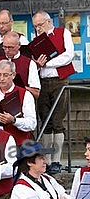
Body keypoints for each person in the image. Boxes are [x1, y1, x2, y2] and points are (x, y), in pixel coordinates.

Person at [32, 10, 75, 174]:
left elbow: (68, 56)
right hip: (42, 82)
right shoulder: (36, 40)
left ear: (48, 22)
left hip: (59, 80)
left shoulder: (62, 33)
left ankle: (57, 160)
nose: (38, 28)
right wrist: (38, 64)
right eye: (36, 26)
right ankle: (47, 161)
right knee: (45, 121)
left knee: (57, 120)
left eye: (40, 25)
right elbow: (35, 63)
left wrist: (47, 63)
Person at [0, 59, 37, 147]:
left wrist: (14, 120)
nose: (1, 79)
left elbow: (32, 124)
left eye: (5, 75)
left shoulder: (25, 94)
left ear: (13, 75)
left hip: (18, 144)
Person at [0, 31, 40, 99]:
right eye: (4, 47)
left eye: (11, 47)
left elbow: (36, 93)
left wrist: (15, 87)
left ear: (19, 45)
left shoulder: (29, 63)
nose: (7, 50)